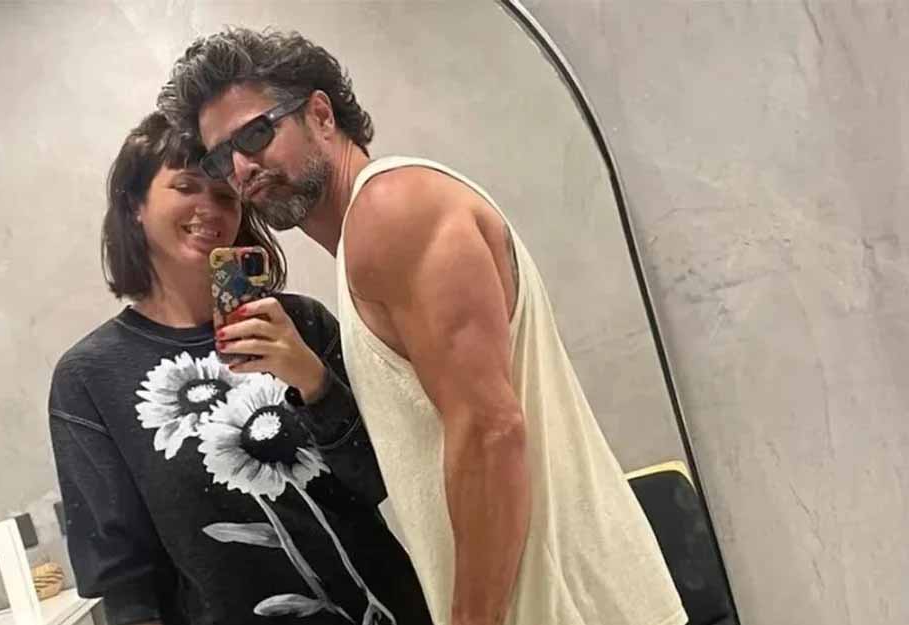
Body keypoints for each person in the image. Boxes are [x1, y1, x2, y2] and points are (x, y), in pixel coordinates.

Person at [156, 27, 688, 625]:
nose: (241, 167)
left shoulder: (392, 211)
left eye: (256, 134)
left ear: (321, 115)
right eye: (220, 157)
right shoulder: (371, 230)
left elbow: (490, 433)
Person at [48, 112, 432, 625]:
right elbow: (122, 576)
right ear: (134, 205)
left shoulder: (302, 323)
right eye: (186, 187)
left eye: (226, 195)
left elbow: (387, 480)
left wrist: (313, 381)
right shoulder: (90, 378)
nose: (209, 208)